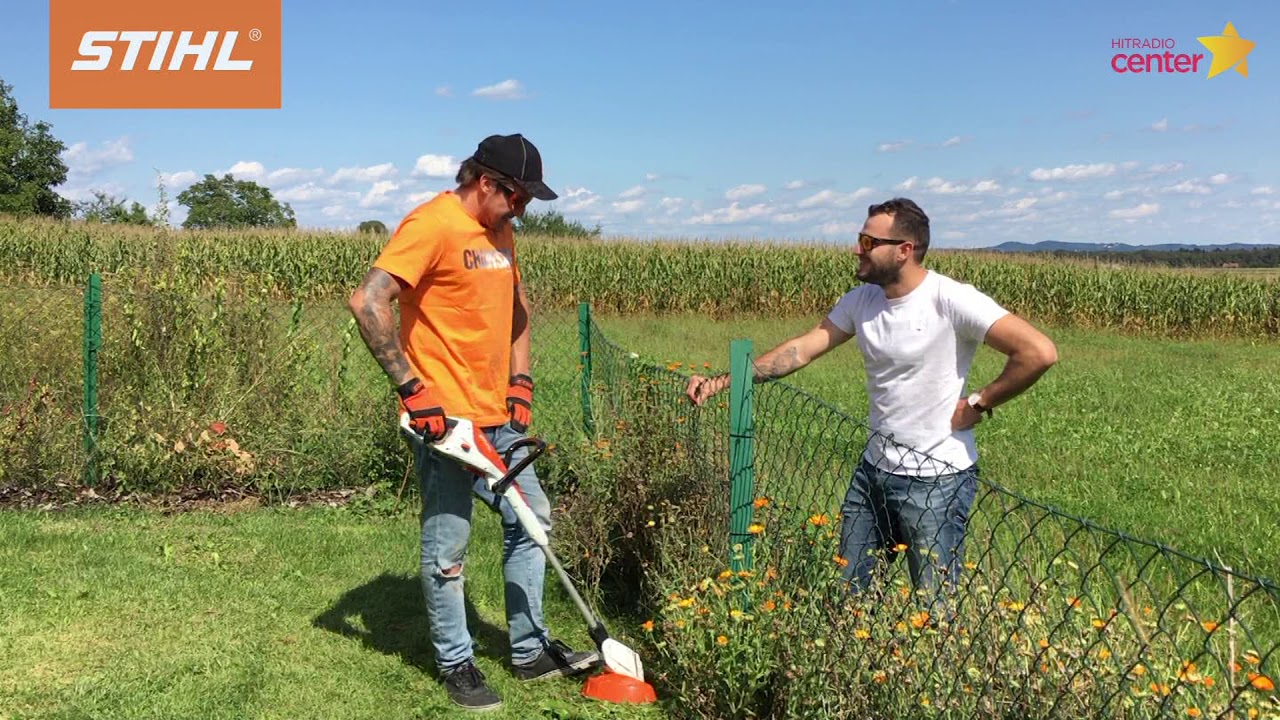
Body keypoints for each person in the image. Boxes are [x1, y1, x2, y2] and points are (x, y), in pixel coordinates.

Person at [685, 198, 1058, 608]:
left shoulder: (950, 299)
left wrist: (979, 402)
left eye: (868, 240)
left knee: (934, 606)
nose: (857, 248)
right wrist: (724, 381)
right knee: (850, 595)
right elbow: (802, 349)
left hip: (937, 480)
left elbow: (1038, 352)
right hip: (873, 473)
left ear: (904, 249)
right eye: (859, 238)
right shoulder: (862, 300)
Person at [348, 133, 599, 711]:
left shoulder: (501, 230)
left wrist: (521, 381)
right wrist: (413, 390)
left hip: (497, 415)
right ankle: (456, 661)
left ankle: (530, 648)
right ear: (486, 182)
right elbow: (368, 301)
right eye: (518, 197)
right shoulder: (432, 225)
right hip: (447, 424)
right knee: (448, 543)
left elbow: (517, 308)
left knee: (532, 517)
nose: (523, 210)